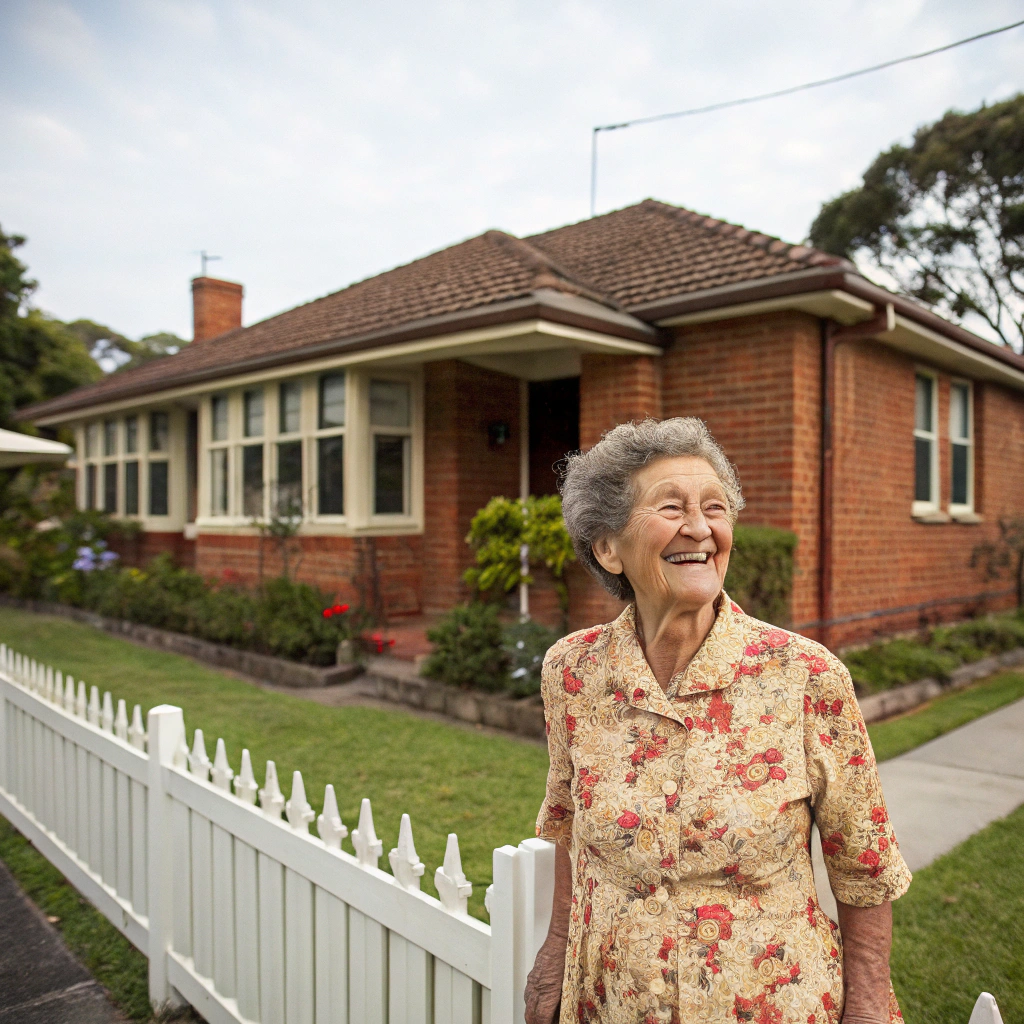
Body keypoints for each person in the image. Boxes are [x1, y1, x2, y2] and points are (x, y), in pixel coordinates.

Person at [526, 418, 910, 1024]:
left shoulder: (806, 676)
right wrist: (555, 948)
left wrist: (867, 1005)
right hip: (614, 1002)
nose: (700, 528)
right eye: (671, 507)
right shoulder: (572, 672)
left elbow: (863, 864)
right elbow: (569, 820)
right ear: (607, 547)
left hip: (770, 1004)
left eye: (715, 507)